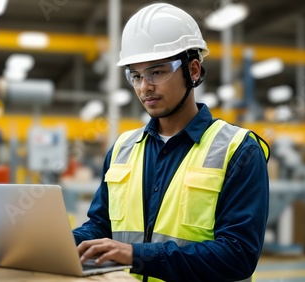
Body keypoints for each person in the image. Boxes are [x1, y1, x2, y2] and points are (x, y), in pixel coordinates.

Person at [72, 3, 270, 281]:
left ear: (194, 70)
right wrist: (64, 241)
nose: (144, 87)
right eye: (136, 75)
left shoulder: (239, 150)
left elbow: (238, 255)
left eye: (157, 72)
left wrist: (135, 255)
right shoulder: (122, 148)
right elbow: (101, 225)